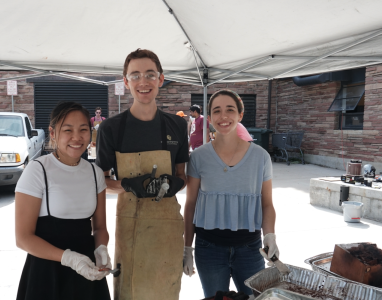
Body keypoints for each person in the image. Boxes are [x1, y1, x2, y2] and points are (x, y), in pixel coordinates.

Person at [95, 48, 189, 300]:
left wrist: (173, 184)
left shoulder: (178, 125)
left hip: (168, 229)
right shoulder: (110, 129)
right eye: (135, 75)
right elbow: (100, 182)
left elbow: (183, 175)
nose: (143, 81)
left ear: (161, 79)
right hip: (130, 227)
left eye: (150, 74)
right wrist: (128, 185)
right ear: (125, 82)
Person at [182, 90, 278, 298]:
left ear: (240, 115)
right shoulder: (199, 157)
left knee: (255, 297)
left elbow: (267, 204)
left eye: (230, 110)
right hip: (209, 249)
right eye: (217, 111)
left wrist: (270, 235)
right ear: (209, 118)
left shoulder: (261, 157)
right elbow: (190, 204)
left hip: (250, 250)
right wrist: (187, 247)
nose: (223, 116)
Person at [15, 101, 111, 300]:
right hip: (46, 273)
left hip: (87, 269)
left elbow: (100, 227)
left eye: (83, 129)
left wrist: (101, 249)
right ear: (53, 133)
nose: (77, 138)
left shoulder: (95, 173)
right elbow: (23, 238)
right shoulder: (38, 170)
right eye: (68, 130)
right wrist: (68, 258)